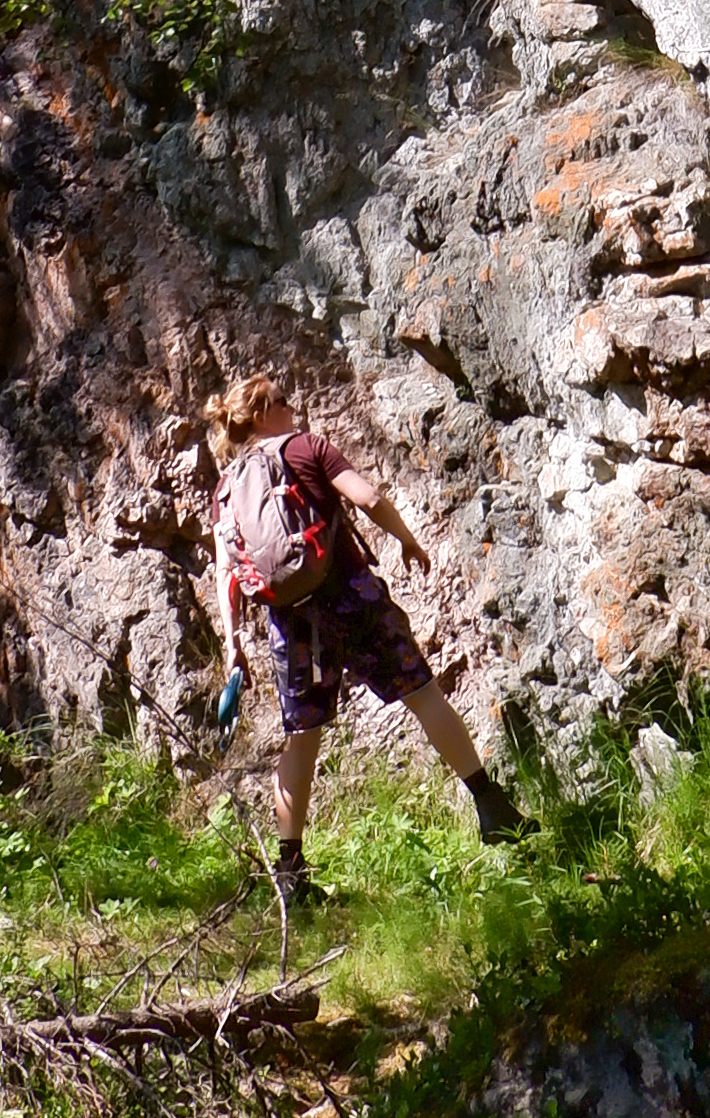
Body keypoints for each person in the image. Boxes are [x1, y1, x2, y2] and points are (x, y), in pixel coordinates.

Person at [206, 369, 517, 896]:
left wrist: (234, 642)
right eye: (282, 400)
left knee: (301, 736)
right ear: (260, 416)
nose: (293, 406)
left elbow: (226, 573)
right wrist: (408, 540)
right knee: (421, 692)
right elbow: (368, 497)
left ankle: (290, 871)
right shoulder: (307, 448)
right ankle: (490, 804)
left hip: (291, 620)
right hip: (351, 597)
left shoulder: (226, 488)